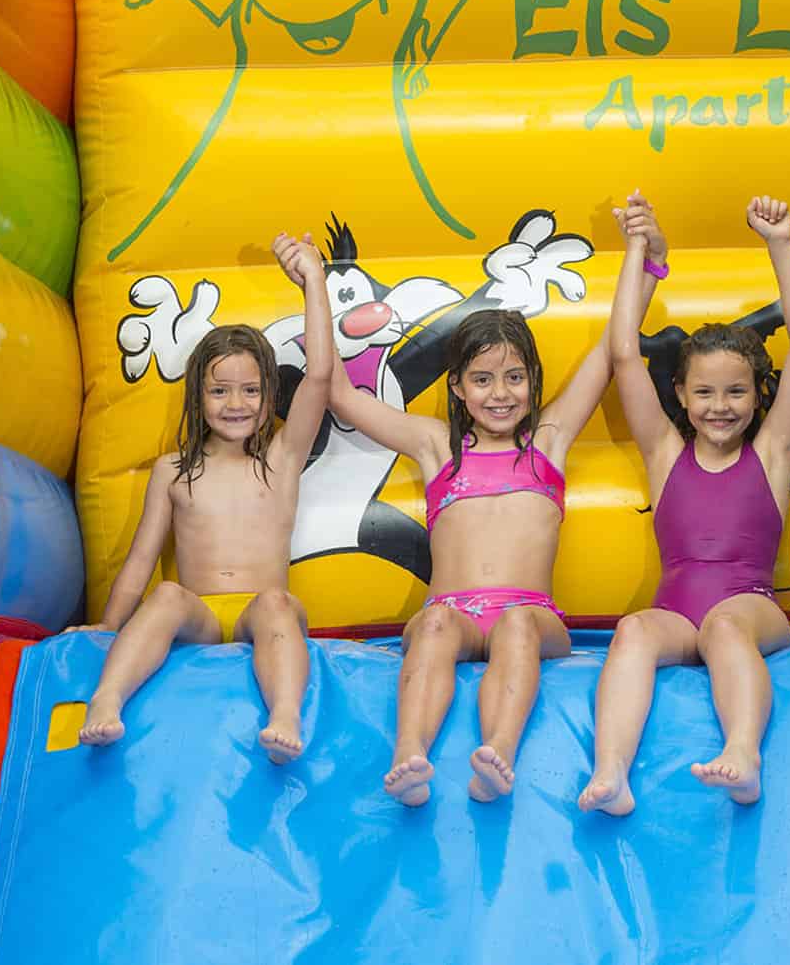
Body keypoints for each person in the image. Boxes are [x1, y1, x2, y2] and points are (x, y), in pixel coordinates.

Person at [337, 213, 658, 805]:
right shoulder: (438, 449)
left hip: (530, 613)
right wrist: (312, 280)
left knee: (514, 625)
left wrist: (647, 256)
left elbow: (614, 349)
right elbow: (339, 395)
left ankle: (498, 755)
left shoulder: (548, 445)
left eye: (514, 377)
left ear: (534, 383)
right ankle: (410, 755)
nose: (500, 393)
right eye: (482, 380)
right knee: (430, 625)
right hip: (449, 611)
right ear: (457, 387)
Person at [580, 194, 790, 813]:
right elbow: (625, 352)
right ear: (681, 395)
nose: (721, 406)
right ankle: (611, 773)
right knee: (632, 629)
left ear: (757, 396)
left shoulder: (770, 454)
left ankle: (744, 753)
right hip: (677, 615)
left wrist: (781, 245)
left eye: (737, 391)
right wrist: (638, 249)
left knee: (725, 626)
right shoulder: (665, 453)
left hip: (751, 608)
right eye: (705, 392)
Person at [73, 233, 334, 764]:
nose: (235, 404)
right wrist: (107, 624)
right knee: (166, 594)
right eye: (220, 391)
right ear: (198, 397)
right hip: (201, 614)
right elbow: (142, 558)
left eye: (251, 390)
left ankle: (285, 713)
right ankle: (107, 698)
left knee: (277, 604)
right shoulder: (175, 470)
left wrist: (314, 281)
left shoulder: (281, 458)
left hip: (260, 610)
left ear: (270, 396)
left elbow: (322, 376)